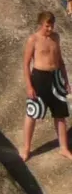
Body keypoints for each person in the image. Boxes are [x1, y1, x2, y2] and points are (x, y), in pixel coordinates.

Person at [21, 10, 72, 161]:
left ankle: (63, 148)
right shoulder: (33, 39)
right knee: (32, 114)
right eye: (47, 26)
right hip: (39, 78)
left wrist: (66, 81)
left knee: (60, 114)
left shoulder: (56, 37)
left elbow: (60, 61)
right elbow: (25, 64)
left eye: (52, 26)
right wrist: (29, 86)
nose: (50, 29)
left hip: (56, 78)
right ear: (41, 24)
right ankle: (26, 149)